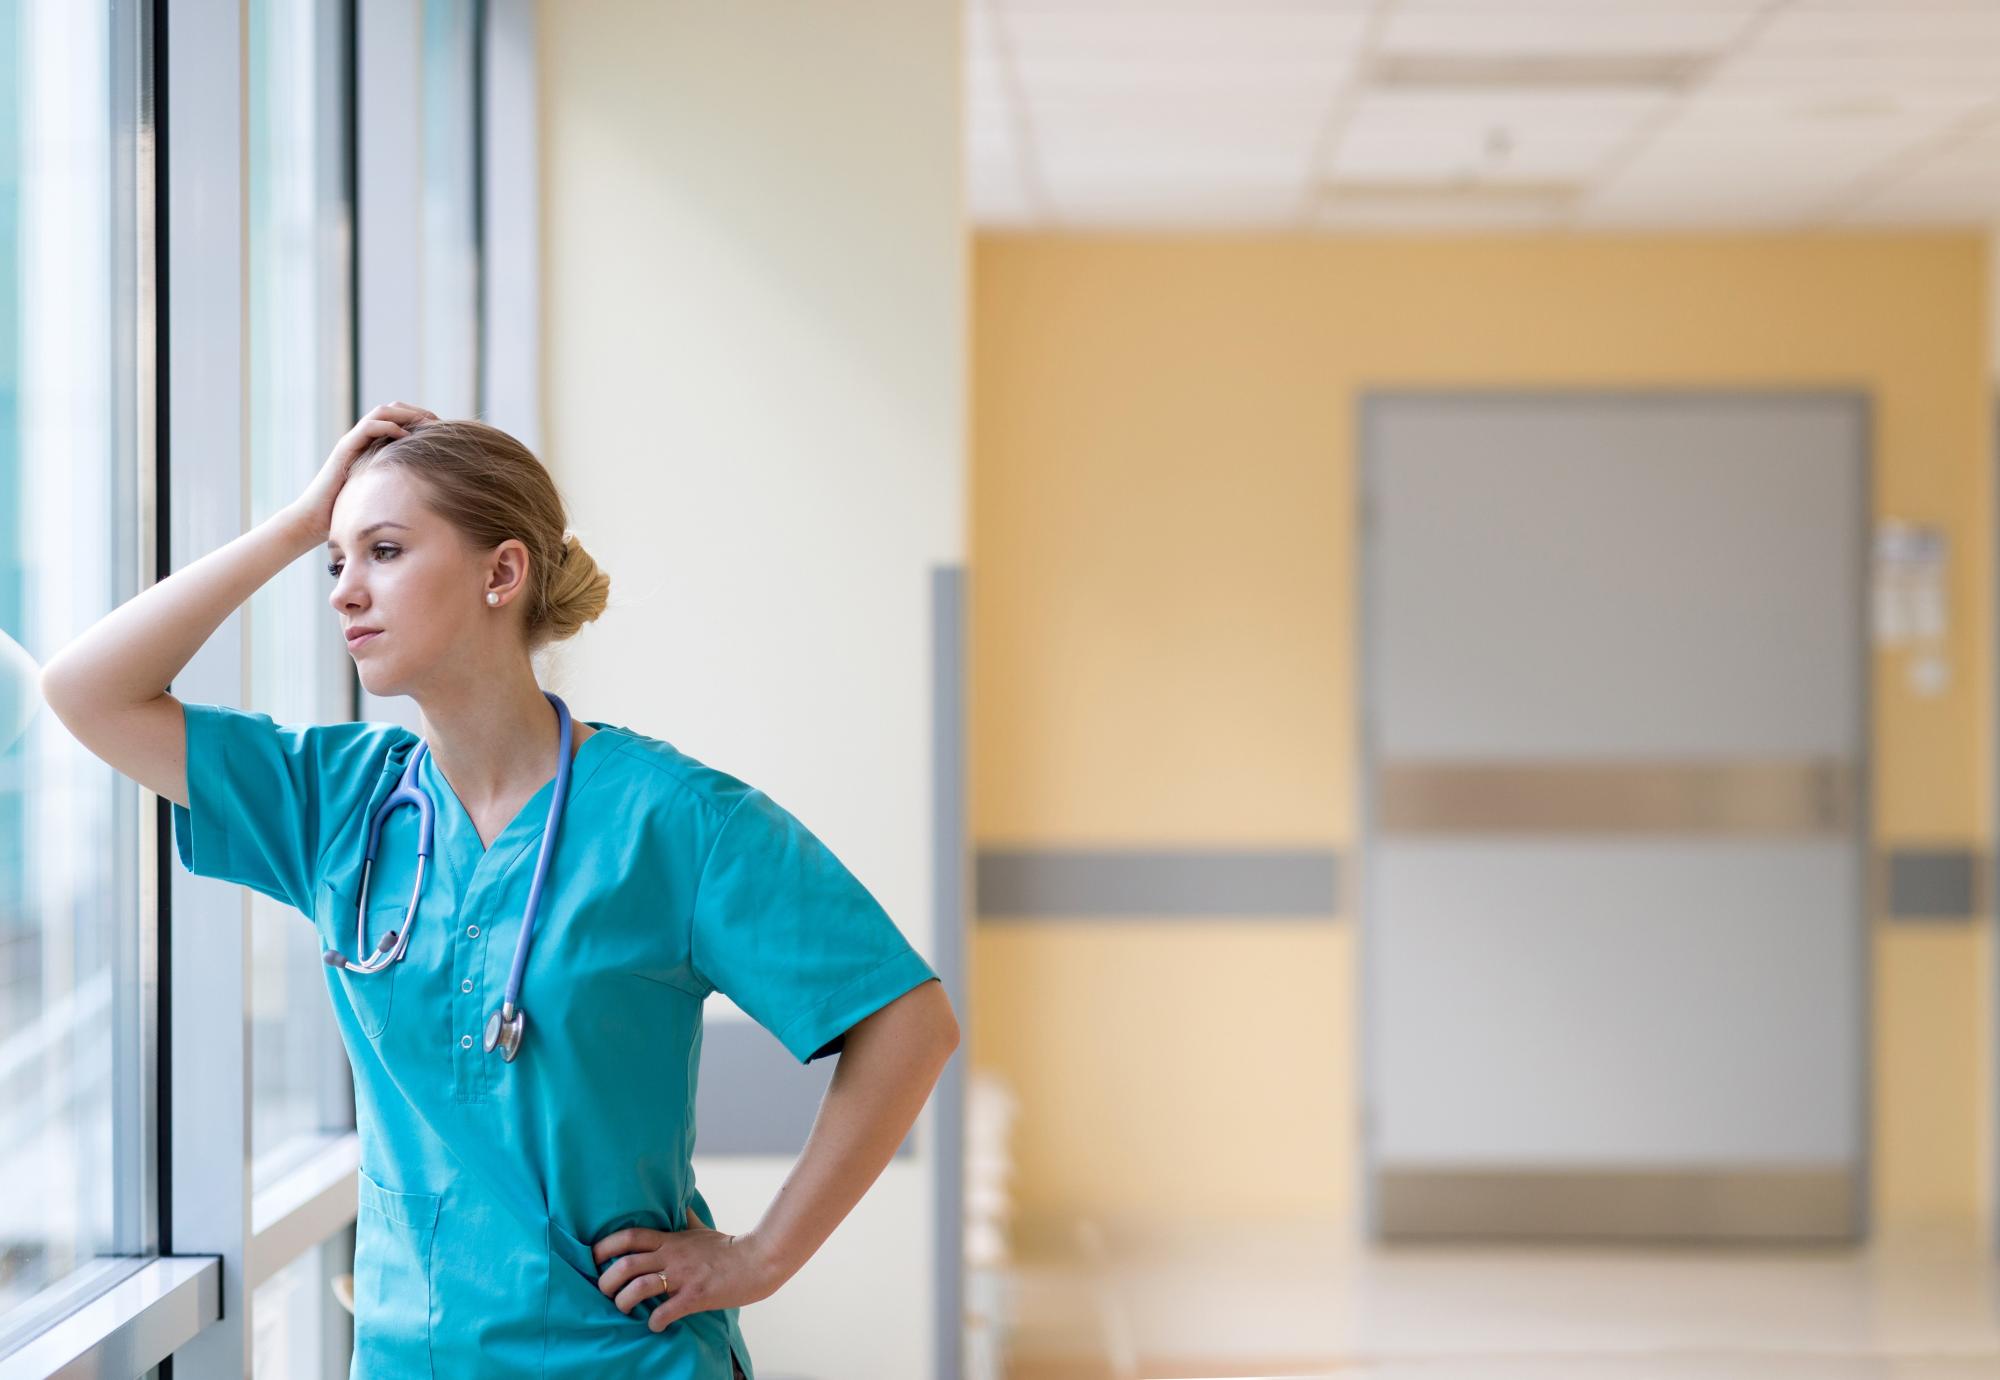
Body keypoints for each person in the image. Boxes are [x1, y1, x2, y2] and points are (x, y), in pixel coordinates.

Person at [37, 403, 961, 1379]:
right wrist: (298, 523)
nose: (345, 591)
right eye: (334, 565)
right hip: (412, 1355)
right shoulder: (335, 802)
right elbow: (86, 690)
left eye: (383, 551)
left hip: (625, 1358)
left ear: (502, 572)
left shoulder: (676, 819)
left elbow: (910, 1022)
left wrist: (761, 1257)